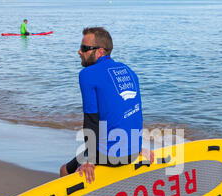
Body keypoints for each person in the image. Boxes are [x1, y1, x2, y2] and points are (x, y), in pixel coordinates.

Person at [60, 27, 153, 183]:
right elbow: (134, 111)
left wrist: (90, 160)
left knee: (64, 170)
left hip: (110, 155)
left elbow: (91, 120)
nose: (79, 52)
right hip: (133, 150)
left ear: (100, 52)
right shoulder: (129, 71)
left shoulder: (87, 74)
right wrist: (136, 147)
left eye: (84, 48)